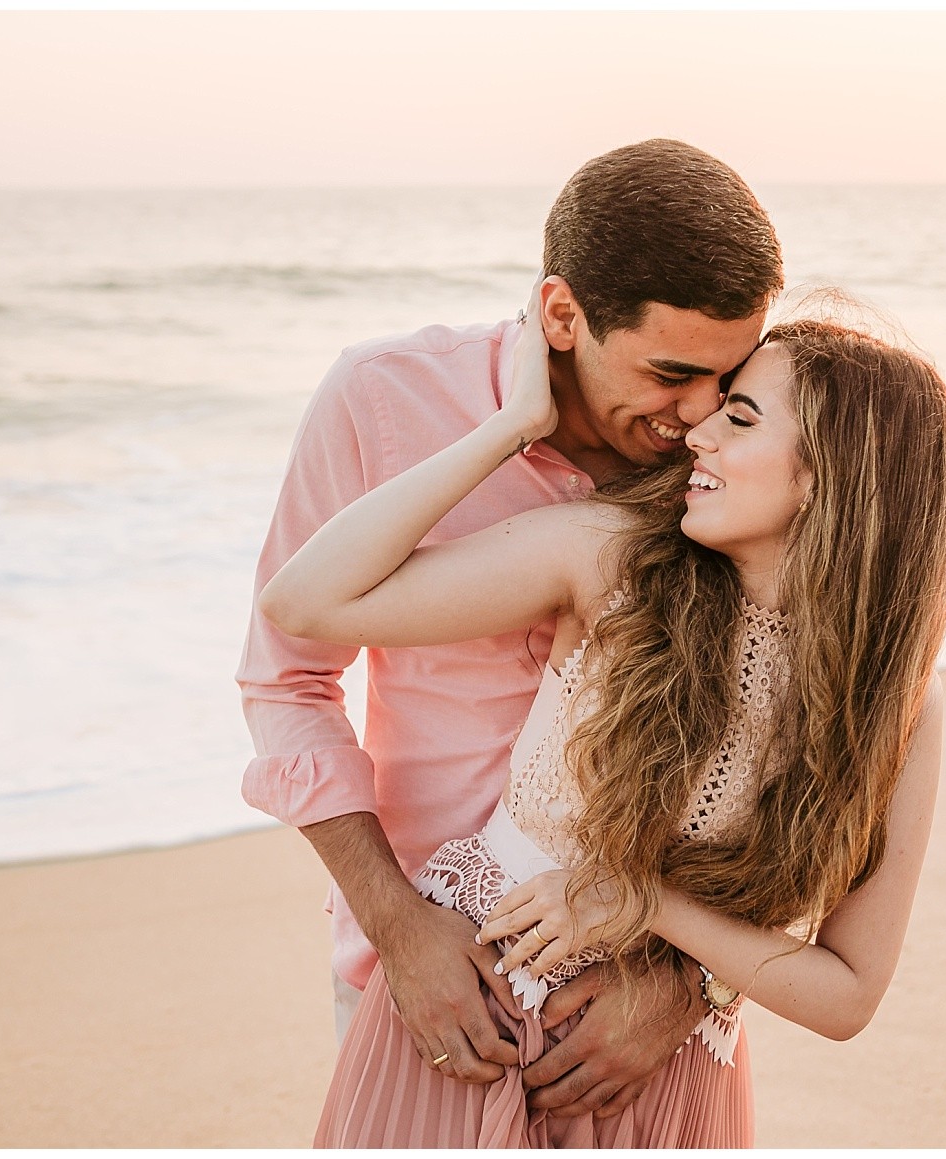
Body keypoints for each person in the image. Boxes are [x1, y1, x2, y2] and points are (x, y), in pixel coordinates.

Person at [261, 280, 946, 1145]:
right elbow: (303, 601)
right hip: (474, 1008)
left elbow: (848, 991)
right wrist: (512, 426)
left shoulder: (898, 701)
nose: (696, 430)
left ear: (835, 478)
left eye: (739, 418)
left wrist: (646, 909)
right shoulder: (613, 560)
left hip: (666, 1062)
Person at [237, 139, 783, 1119]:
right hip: (427, 982)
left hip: (644, 1001)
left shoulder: (738, 453)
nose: (700, 413)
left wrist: (694, 981)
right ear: (562, 314)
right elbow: (286, 680)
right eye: (668, 372)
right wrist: (397, 927)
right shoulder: (381, 396)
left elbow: (797, 725)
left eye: (727, 375)